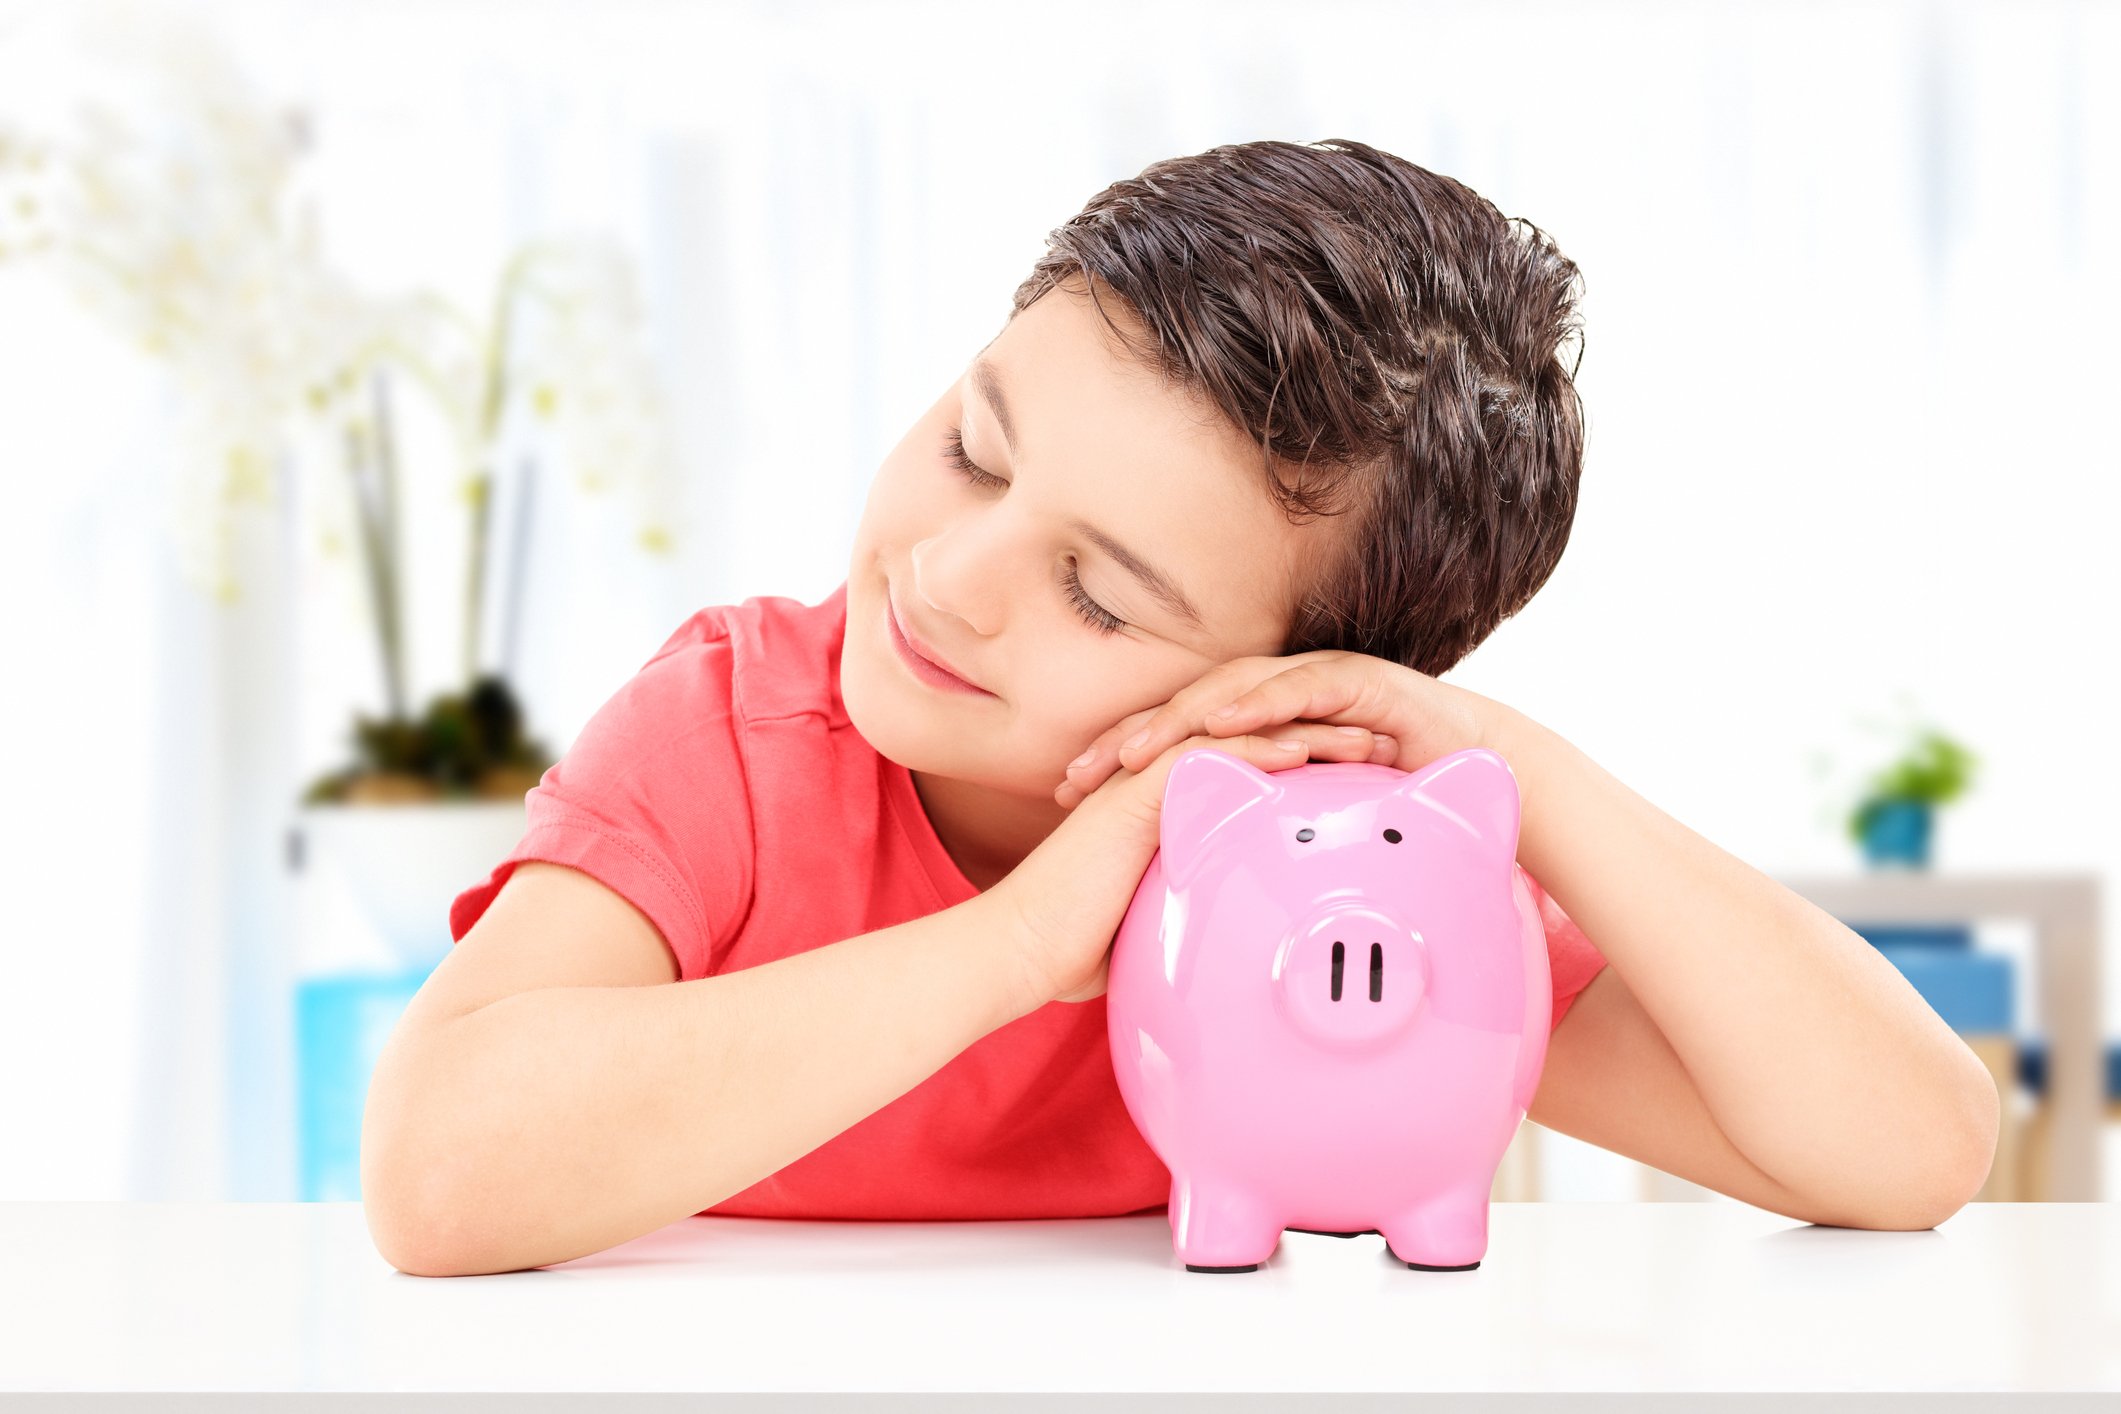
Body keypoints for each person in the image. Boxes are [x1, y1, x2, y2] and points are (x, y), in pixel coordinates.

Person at [362, 139, 1999, 1278]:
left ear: (1284, 694)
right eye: (975, 447)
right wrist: (1018, 947)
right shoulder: (734, 727)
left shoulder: (1326, 874)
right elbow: (438, 1175)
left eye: (1099, 592)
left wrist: (1509, 763)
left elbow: (1905, 1151)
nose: (949, 570)